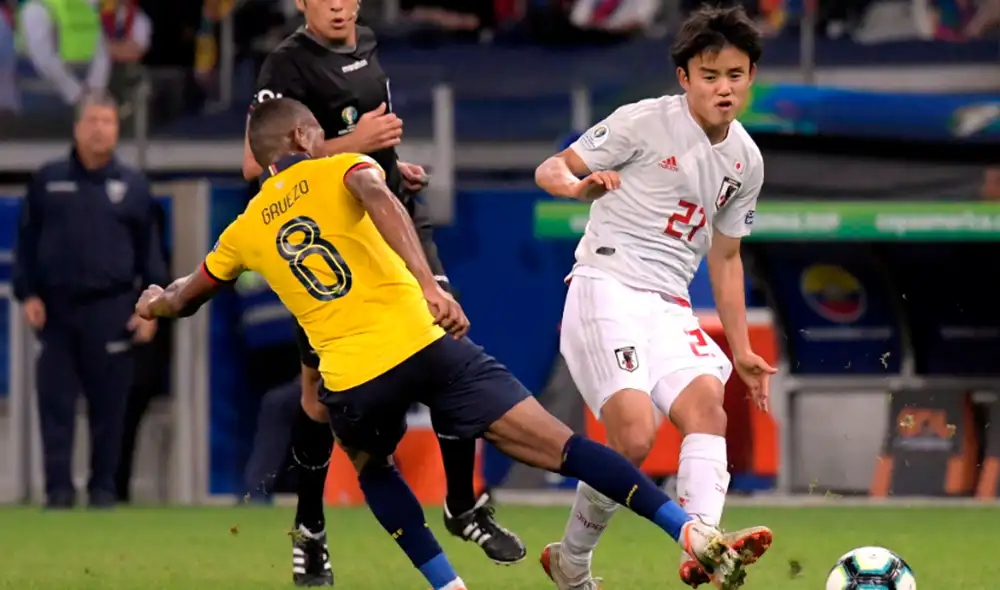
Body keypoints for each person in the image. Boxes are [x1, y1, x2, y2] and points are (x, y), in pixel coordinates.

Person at [136, 96, 768, 590]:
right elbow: (378, 196)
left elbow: (187, 296)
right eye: (318, 132)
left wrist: (154, 300)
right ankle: (687, 532)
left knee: (372, 468)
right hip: (424, 344)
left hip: (352, 377)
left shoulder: (242, 229)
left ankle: (449, 583)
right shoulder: (341, 167)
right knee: (567, 447)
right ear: (303, 137)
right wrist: (426, 284)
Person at [239, 0, 525, 582]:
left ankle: (461, 503)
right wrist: (357, 143)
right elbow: (255, 167)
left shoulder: (366, 42)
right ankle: (310, 527)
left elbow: (363, 143)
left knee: (447, 346)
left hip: (395, 218)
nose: (337, 4)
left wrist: (393, 164)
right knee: (316, 397)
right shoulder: (284, 65)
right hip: (336, 242)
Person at [533, 6, 775, 589]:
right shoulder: (643, 121)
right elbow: (551, 168)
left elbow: (726, 258)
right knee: (635, 436)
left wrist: (742, 349)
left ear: (751, 76)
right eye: (710, 75)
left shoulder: (746, 160)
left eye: (735, 75)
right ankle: (572, 561)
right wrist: (578, 186)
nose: (724, 88)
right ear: (684, 77)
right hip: (606, 285)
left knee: (707, 410)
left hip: (669, 304)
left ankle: (705, 547)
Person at [12, 90, 166, 509]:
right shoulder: (48, 181)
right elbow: (26, 245)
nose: (100, 130)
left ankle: (103, 492)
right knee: (55, 406)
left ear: (117, 129)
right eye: (93, 121)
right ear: (77, 127)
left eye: (108, 122)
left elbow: (151, 256)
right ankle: (58, 493)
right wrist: (28, 293)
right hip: (57, 312)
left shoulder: (133, 186)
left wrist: (151, 310)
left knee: (110, 409)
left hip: (111, 309)